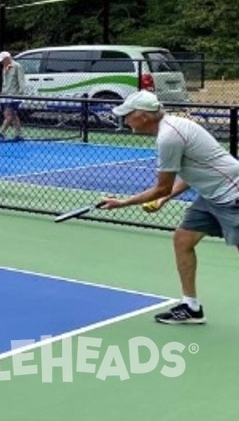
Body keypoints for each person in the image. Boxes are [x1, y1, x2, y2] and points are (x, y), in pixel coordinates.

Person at [99, 90, 239, 324]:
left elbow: (162, 187)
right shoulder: (172, 128)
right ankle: (191, 307)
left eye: (128, 115)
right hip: (211, 195)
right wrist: (165, 198)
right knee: (183, 239)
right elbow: (193, 173)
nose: (125, 120)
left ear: (143, 116)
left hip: (232, 195)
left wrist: (122, 203)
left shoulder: (169, 137)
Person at [0, 51, 25, 141]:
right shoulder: (5, 68)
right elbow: (5, 83)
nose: (2, 62)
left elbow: (21, 81)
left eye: (3, 60)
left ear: (7, 58)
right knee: (13, 115)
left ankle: (2, 133)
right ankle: (19, 134)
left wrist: (20, 94)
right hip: (6, 95)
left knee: (8, 114)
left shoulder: (17, 66)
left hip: (15, 95)